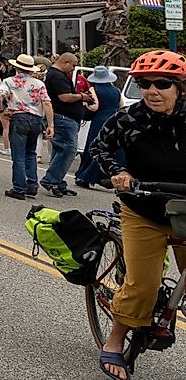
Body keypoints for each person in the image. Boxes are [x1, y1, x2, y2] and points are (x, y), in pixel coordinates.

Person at [88, 50, 186, 380]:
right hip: (143, 208)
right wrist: (117, 172)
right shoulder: (129, 119)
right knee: (142, 286)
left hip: (184, 208)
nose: (152, 91)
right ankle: (115, 342)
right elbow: (99, 148)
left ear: (180, 88)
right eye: (144, 84)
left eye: (163, 84)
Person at [0, 54, 54, 200]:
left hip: (19, 118)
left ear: (16, 67)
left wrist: (2, 111)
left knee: (19, 155)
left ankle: (19, 188)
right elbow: (47, 103)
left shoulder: (9, 82)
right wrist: (51, 124)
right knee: (30, 153)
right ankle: (32, 184)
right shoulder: (39, 84)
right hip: (36, 119)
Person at [40, 52, 91, 197]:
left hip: (66, 117)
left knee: (60, 150)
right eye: (73, 66)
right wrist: (82, 96)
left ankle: (58, 182)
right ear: (65, 62)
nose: (74, 69)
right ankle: (51, 180)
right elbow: (65, 97)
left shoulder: (57, 75)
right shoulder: (57, 76)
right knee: (69, 149)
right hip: (63, 117)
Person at [75, 65, 122, 191]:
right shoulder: (116, 90)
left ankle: (86, 176)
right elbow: (121, 106)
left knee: (95, 146)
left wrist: (85, 107)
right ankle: (108, 175)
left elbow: (94, 107)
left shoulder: (93, 89)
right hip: (114, 119)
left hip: (100, 119)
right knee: (112, 148)